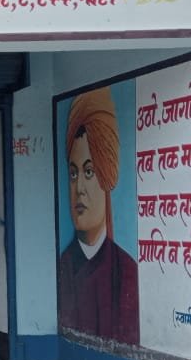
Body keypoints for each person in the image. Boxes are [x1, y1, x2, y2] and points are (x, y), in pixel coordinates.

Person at [57, 87, 139, 345]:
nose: (79, 188)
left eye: (89, 172)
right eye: (73, 174)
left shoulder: (127, 273)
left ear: (106, 175)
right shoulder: (62, 267)